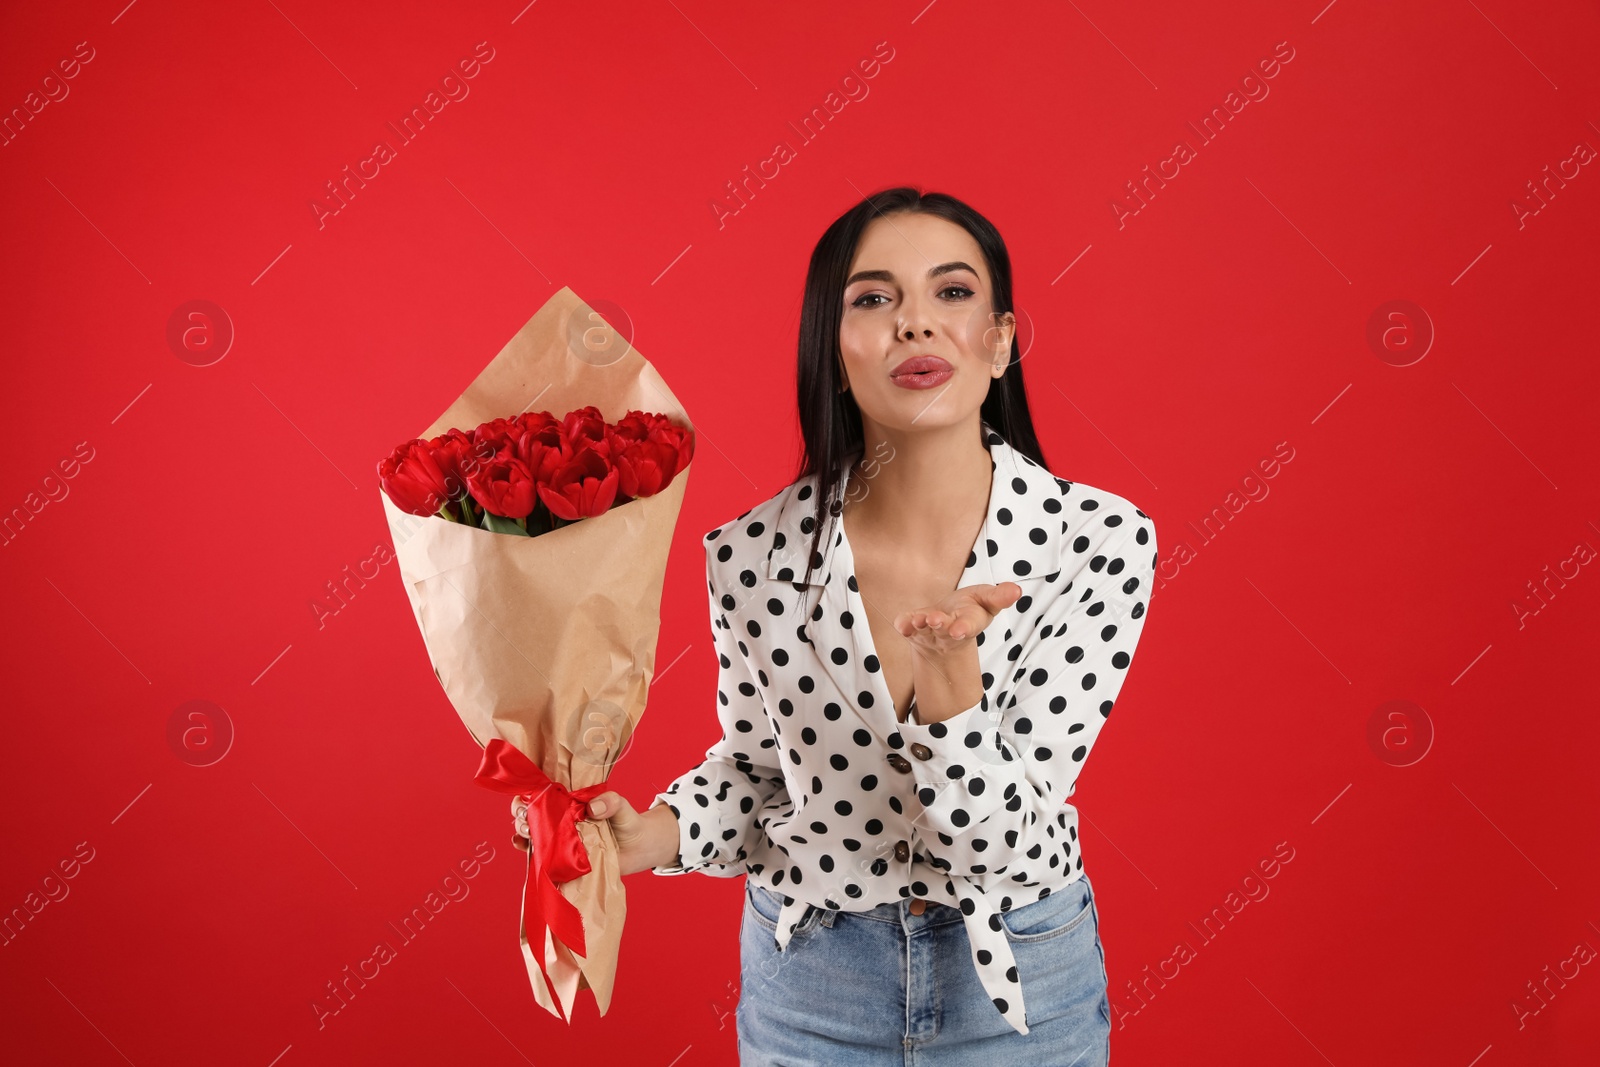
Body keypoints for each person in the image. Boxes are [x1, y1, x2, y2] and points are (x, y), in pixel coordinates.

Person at [514, 186, 1158, 1064]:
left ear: (1001, 342)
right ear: (835, 347)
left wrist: (950, 681)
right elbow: (758, 772)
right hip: (812, 980)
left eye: (953, 293)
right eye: (874, 298)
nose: (916, 324)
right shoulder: (749, 553)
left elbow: (1009, 843)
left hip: (1016, 982)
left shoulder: (1099, 543)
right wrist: (651, 836)